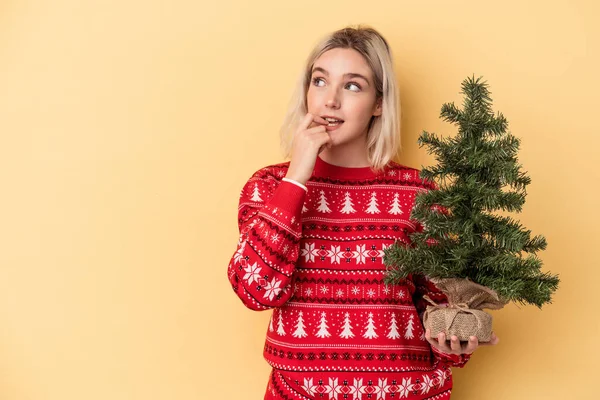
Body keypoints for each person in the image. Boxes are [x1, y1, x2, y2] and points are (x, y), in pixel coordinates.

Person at [226, 25, 499, 400]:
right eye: (319, 81)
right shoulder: (270, 186)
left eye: (352, 86)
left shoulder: (419, 193)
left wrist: (452, 342)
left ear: (378, 104)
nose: (330, 100)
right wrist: (297, 179)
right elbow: (256, 291)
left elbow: (440, 304)